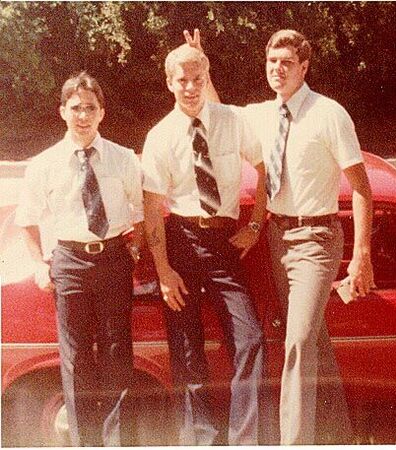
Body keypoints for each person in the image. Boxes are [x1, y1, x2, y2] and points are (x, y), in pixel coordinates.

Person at [185, 29, 375, 444]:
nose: (278, 69)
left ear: (304, 67)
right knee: (314, 345)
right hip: (277, 238)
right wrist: (204, 64)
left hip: (318, 239)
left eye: (287, 62)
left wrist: (362, 256)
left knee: (299, 343)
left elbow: (362, 187)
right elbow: (219, 112)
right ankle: (338, 439)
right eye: (272, 62)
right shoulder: (262, 113)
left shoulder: (329, 114)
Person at [141, 43, 266, 445]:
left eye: (198, 79)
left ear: (206, 78)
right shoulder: (159, 136)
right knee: (187, 346)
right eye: (183, 80)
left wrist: (256, 225)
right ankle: (201, 439)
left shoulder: (233, 120)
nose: (191, 87)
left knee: (251, 339)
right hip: (181, 241)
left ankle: (244, 439)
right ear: (169, 83)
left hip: (225, 241)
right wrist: (163, 270)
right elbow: (151, 205)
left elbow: (266, 167)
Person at [15, 71, 144, 447]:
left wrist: (135, 249)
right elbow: (27, 220)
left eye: (90, 108)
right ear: (62, 111)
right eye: (75, 108)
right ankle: (86, 443)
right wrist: (41, 264)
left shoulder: (123, 159)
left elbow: (142, 211)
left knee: (117, 349)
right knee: (76, 358)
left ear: (102, 112)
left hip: (113, 258)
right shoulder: (44, 164)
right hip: (69, 262)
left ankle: (118, 440)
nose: (83, 116)